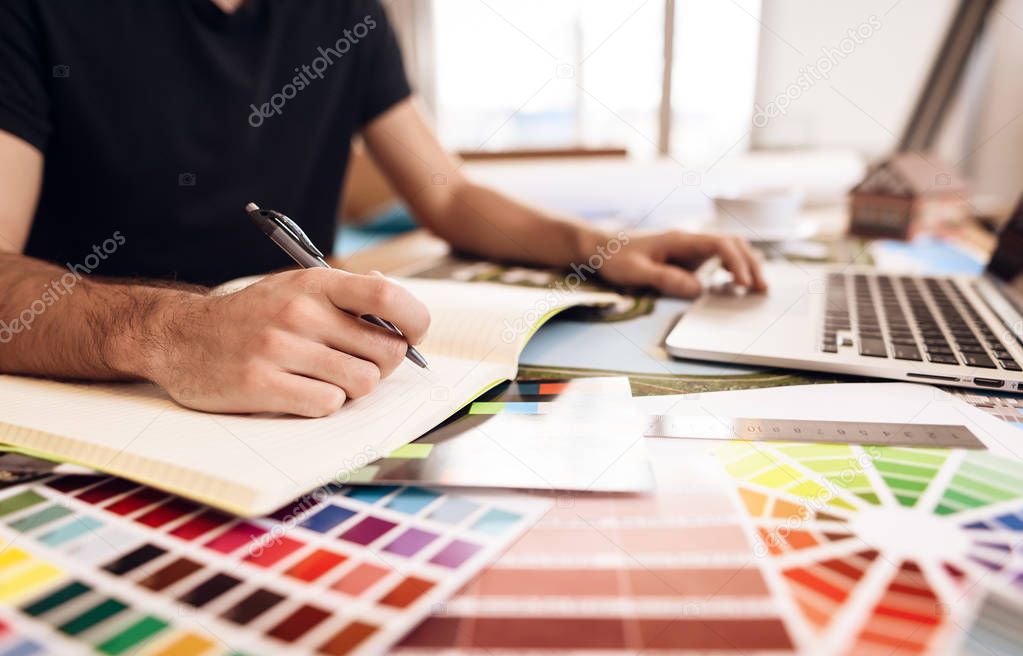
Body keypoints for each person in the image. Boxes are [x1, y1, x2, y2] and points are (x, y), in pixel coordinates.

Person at [0, 0, 766, 417]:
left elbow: (447, 194)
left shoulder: (345, 15)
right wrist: (170, 334)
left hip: (318, 395)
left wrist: (597, 244)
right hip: (98, 393)